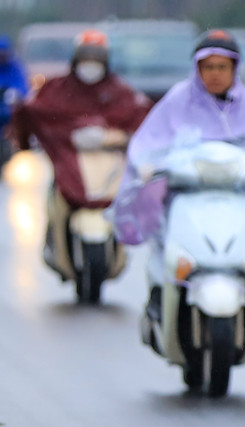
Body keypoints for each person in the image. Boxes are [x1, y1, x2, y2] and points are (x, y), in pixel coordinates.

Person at [108, 29, 245, 317]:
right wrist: (148, 165)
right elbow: (148, 141)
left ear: (235, 69)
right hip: (185, 194)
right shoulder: (177, 100)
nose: (215, 74)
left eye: (223, 67)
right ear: (197, 69)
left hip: (235, 194)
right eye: (208, 67)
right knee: (163, 233)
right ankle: (160, 292)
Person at [10, 29, 152, 271]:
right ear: (76, 58)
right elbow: (34, 112)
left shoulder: (120, 91)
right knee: (56, 200)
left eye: (96, 57)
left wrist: (112, 137)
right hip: (69, 163)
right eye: (86, 57)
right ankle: (55, 241)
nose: (91, 63)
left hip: (107, 167)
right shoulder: (57, 88)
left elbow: (141, 117)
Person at [0, 34, 29, 165]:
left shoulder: (14, 67)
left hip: (10, 115)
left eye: (3, 53)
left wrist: (15, 94)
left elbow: (23, 87)